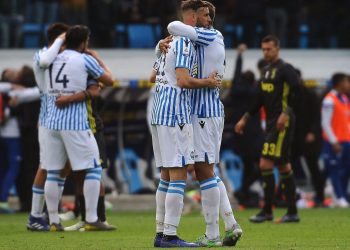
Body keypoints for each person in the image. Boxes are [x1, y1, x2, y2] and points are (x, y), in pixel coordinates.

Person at [166, 1, 242, 246]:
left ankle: (213, 233)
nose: (209, 19)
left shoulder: (210, 35)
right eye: (205, 15)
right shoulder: (201, 40)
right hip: (203, 113)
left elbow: (172, 25)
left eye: (210, 15)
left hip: (204, 113)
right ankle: (230, 225)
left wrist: (187, 19)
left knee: (204, 171)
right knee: (206, 171)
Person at [151, 1, 219, 247]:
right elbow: (182, 80)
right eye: (205, 15)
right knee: (178, 176)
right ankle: (169, 236)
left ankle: (160, 234)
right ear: (191, 18)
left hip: (159, 112)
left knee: (166, 177)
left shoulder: (166, 43)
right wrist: (207, 83)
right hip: (175, 114)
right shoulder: (183, 42)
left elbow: (152, 77)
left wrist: (158, 49)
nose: (209, 19)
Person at [42, 25, 113, 231]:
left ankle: (54, 221)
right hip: (75, 123)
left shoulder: (53, 58)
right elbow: (109, 80)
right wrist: (97, 58)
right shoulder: (84, 58)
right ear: (85, 42)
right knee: (93, 168)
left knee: (54, 172)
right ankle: (91, 219)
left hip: (52, 121)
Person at [235, 35, 301, 223]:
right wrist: (245, 118)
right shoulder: (265, 71)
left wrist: (285, 113)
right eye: (263, 49)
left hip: (283, 122)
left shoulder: (286, 69)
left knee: (265, 164)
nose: (266, 52)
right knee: (283, 166)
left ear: (277, 49)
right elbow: (259, 100)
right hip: (273, 122)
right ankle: (292, 212)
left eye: (269, 49)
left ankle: (267, 211)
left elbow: (297, 91)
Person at [230, 44, 263, 207]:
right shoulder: (255, 91)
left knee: (247, 166)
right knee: (263, 164)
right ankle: (244, 189)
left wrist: (239, 56)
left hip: (240, 134)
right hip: (255, 134)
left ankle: (244, 192)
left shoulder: (235, 91)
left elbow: (235, 76)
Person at [321, 73, 350, 208]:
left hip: (346, 140)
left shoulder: (344, 99)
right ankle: (338, 197)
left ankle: (342, 196)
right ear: (339, 83)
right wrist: (333, 141)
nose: (348, 85)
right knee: (334, 169)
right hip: (334, 142)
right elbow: (325, 123)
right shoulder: (329, 100)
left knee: (346, 169)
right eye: (346, 82)